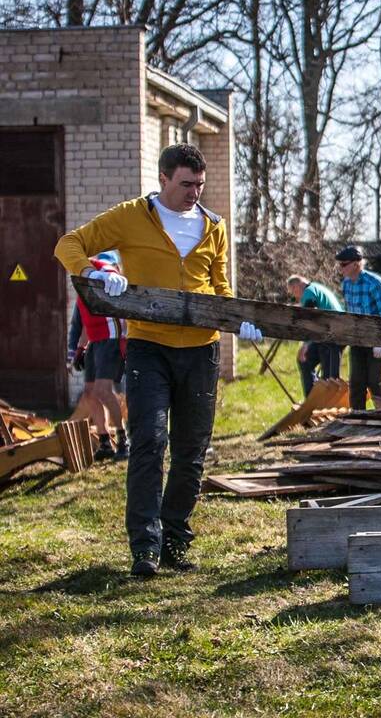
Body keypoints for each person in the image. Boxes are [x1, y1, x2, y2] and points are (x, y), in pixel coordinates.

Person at [54, 143, 263, 578]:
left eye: (200, 185)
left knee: (191, 450)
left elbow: (220, 285)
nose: (194, 193)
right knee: (149, 441)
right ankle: (145, 548)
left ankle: (175, 543)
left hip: (202, 350)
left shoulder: (213, 226)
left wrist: (239, 321)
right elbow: (69, 243)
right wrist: (95, 272)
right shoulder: (131, 216)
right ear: (164, 179)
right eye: (186, 184)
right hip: (148, 347)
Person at [72, 251, 130, 460]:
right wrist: (80, 348)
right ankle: (105, 442)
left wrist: (104, 269)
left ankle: (124, 440)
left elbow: (108, 269)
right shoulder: (84, 283)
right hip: (95, 342)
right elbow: (89, 320)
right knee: (89, 394)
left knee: (103, 391)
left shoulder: (102, 270)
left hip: (111, 340)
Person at [335, 245, 381, 410]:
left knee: (374, 381)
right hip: (358, 340)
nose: (340, 269)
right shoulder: (346, 284)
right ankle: (358, 419)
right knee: (356, 383)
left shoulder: (374, 283)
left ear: (356, 264)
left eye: (343, 265)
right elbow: (350, 315)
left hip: (378, 340)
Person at [286, 274, 344, 396]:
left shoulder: (308, 293)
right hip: (326, 334)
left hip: (333, 336)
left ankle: (326, 402)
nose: (295, 296)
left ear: (297, 286)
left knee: (330, 377)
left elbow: (311, 320)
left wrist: (305, 345)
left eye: (293, 292)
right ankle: (313, 398)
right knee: (305, 361)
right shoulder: (315, 288)